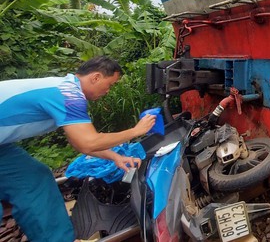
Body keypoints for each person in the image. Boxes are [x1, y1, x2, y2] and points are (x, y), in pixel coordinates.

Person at [0, 56, 156, 242]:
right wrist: (136, 131)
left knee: (34, 180)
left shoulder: (65, 89)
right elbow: (88, 143)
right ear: (96, 77)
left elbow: (79, 142)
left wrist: (114, 157)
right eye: (110, 85)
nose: (108, 91)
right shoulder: (69, 94)